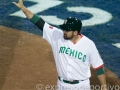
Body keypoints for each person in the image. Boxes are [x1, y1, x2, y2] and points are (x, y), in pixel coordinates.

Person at [13, 0, 107, 90]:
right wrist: (24, 9)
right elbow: (40, 23)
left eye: (67, 30)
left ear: (75, 32)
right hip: (62, 85)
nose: (64, 32)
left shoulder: (89, 44)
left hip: (81, 86)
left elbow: (98, 66)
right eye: (64, 29)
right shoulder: (57, 35)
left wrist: (104, 86)